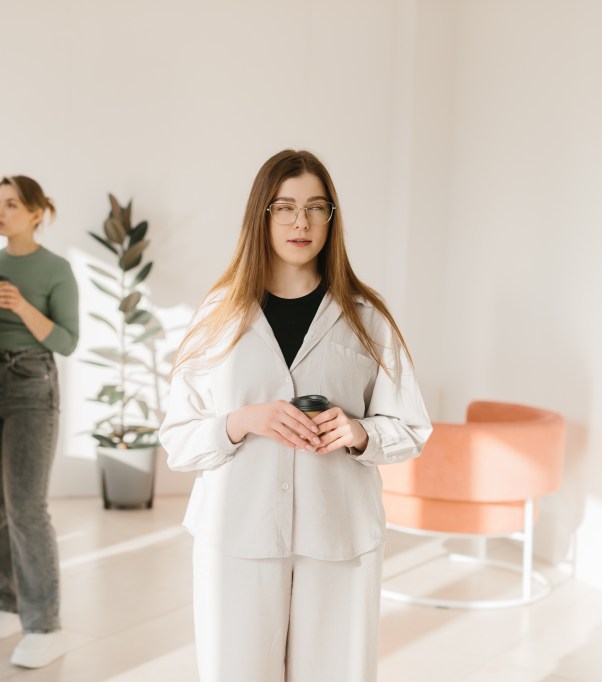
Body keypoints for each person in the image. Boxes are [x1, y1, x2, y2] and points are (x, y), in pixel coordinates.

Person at [159, 149, 432, 682]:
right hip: (236, 533)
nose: (300, 222)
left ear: (332, 218)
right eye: (284, 207)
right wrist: (241, 421)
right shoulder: (219, 315)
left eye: (315, 207)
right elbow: (178, 438)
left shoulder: (367, 318)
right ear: (261, 217)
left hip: (340, 537)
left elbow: (411, 428)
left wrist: (359, 432)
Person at [0, 176, 79, 669]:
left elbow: (66, 341)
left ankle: (45, 624)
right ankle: (7, 602)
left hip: (31, 383)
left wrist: (22, 305)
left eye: (10, 205)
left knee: (26, 506)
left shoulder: (57, 269)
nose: (0, 212)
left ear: (35, 214)